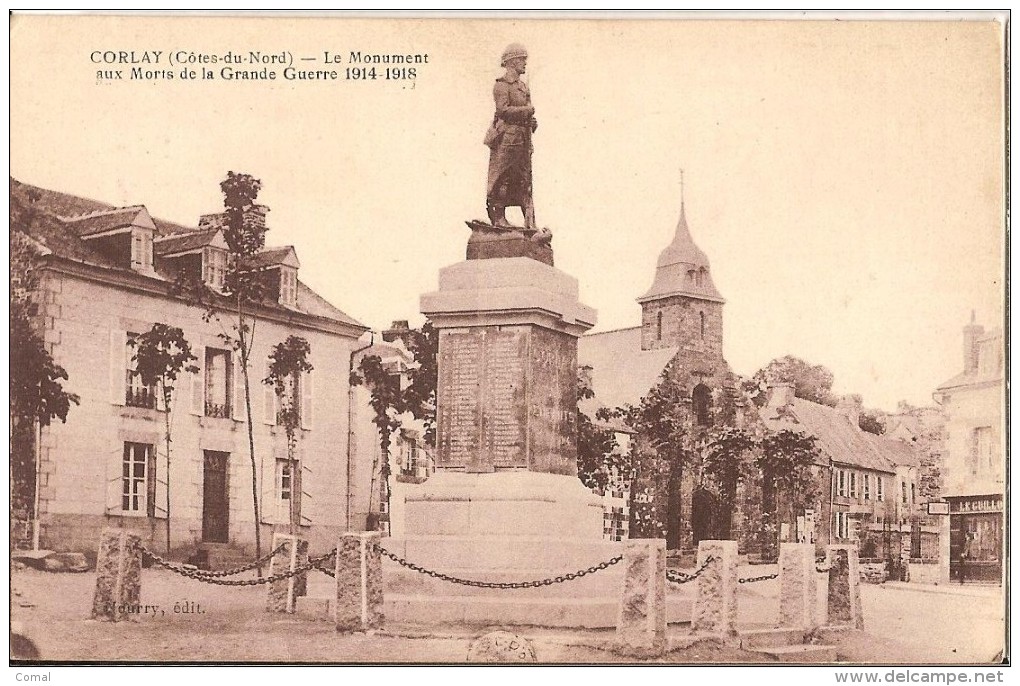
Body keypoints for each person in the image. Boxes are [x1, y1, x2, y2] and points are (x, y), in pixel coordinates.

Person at [484, 43, 538, 230]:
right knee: (503, 176)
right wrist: (526, 111)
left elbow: (528, 114)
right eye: (522, 59)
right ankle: (498, 217)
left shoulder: (523, 87)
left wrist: (532, 122)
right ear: (512, 61)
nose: (524, 63)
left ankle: (529, 221)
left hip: (522, 138)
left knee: (523, 178)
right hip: (507, 138)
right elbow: (503, 110)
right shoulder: (502, 85)